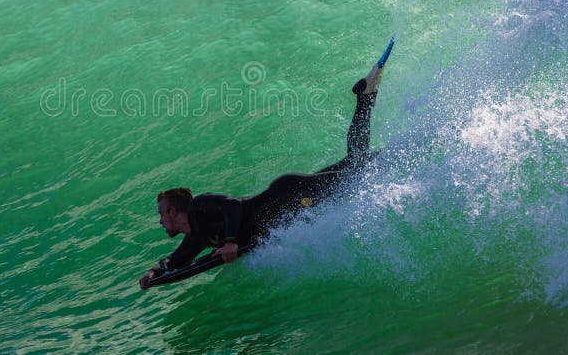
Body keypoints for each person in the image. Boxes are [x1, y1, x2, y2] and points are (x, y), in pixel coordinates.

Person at [139, 57, 387, 290]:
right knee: (354, 163)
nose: (161, 221)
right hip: (295, 203)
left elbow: (233, 206)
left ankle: (376, 121)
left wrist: (231, 241)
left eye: (162, 214)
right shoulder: (197, 236)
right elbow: (177, 260)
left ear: (173, 211)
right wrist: (154, 272)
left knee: (356, 169)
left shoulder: (199, 206)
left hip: (291, 195)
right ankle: (365, 97)